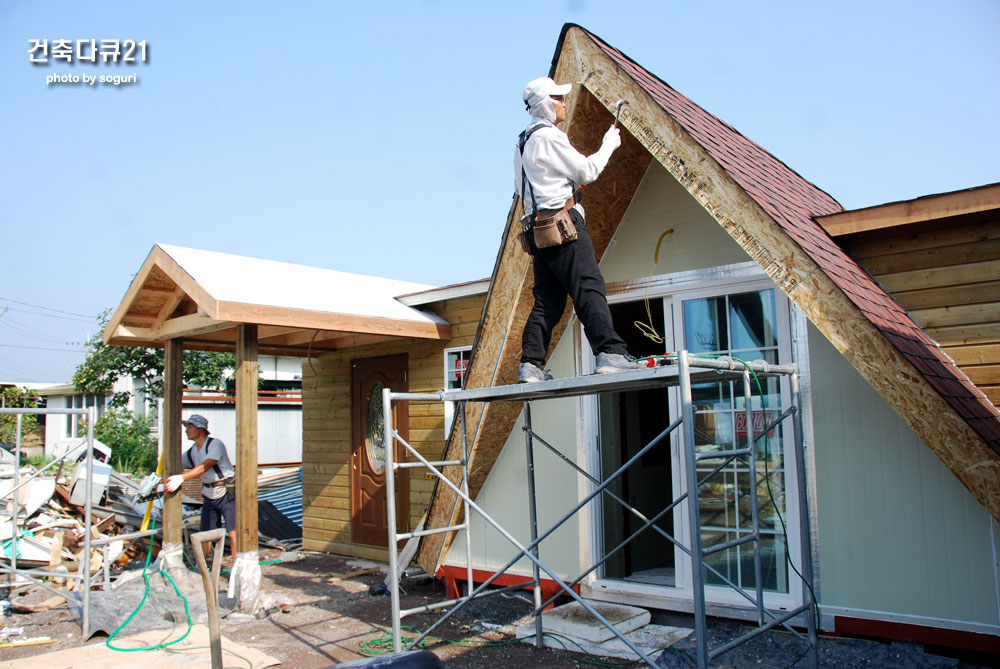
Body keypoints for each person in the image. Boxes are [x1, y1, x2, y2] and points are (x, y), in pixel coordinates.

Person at [515, 76, 642, 383]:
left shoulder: (523, 140)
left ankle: (531, 365)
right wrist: (608, 144)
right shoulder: (549, 136)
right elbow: (588, 170)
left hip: (541, 230)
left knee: (548, 300)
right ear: (545, 103)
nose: (563, 103)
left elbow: (521, 190)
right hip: (565, 225)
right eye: (557, 98)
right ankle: (610, 353)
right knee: (588, 287)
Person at [164, 414, 236, 555]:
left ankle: (239, 566)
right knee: (205, 534)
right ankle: (203, 567)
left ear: (200, 428)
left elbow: (206, 466)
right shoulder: (192, 452)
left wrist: (182, 478)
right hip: (209, 494)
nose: (186, 430)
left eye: (190, 427)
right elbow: (176, 464)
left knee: (234, 533)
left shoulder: (215, 444)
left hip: (227, 492)